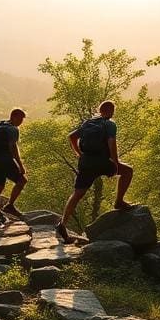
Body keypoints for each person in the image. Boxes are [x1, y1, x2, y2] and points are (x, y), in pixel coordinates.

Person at [56, 100, 135, 243]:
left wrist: (79, 153)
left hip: (86, 162)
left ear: (100, 110)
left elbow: (72, 137)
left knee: (77, 194)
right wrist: (116, 163)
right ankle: (119, 201)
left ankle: (62, 224)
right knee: (128, 171)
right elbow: (112, 143)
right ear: (111, 111)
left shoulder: (88, 123)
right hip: (102, 162)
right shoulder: (109, 124)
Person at [0, 108, 28, 226]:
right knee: (22, 180)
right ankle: (10, 205)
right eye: (21, 118)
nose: (22, 121)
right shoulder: (13, 129)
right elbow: (13, 148)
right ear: (14, 116)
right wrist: (20, 165)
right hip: (5, 160)